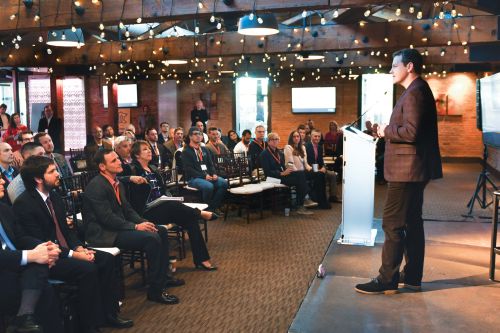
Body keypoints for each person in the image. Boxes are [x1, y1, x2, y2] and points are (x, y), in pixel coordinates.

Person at [355, 48, 442, 295]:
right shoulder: (417, 90)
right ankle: (412, 276)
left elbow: (411, 132)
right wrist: (385, 128)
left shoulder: (414, 93)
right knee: (412, 223)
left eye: (394, 66)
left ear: (409, 66)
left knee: (392, 224)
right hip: (413, 169)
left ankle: (387, 279)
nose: (391, 70)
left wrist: (386, 131)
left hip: (407, 170)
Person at [14, 155, 134, 331]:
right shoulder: (24, 204)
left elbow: (66, 231)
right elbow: (40, 243)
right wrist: (74, 254)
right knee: (87, 269)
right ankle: (88, 325)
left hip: (66, 249)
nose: (58, 174)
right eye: (52, 171)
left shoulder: (53, 197)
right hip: (48, 258)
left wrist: (79, 247)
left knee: (106, 259)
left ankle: (109, 314)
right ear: (38, 179)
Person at [82, 149, 181, 305]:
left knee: (159, 230)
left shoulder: (117, 182)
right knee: (151, 238)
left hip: (117, 228)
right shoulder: (96, 186)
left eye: (118, 159)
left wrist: (143, 222)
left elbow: (128, 210)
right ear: (102, 166)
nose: (119, 162)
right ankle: (155, 291)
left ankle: (163, 278)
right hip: (104, 234)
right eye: (113, 161)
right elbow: (107, 218)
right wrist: (136, 227)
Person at [122, 140, 218, 270]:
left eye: (149, 148)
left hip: (163, 207)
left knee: (190, 220)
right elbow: (115, 179)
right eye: (145, 149)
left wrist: (168, 197)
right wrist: (130, 178)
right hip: (146, 211)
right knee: (173, 206)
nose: (149, 151)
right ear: (137, 155)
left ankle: (202, 260)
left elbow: (163, 189)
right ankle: (200, 213)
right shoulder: (131, 168)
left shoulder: (153, 168)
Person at [0, 177, 64, 333]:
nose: (2, 182)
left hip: (16, 266)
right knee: (43, 288)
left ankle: (23, 317)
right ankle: (23, 318)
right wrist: (32, 256)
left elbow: (21, 237)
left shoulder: (4, 209)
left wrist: (44, 247)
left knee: (42, 271)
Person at [260, 133, 312, 215]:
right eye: (272, 139)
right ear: (268, 142)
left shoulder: (279, 152)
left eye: (277, 139)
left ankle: (302, 202)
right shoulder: (264, 154)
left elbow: (284, 165)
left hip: (282, 175)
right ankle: (302, 202)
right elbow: (267, 172)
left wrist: (288, 170)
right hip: (271, 178)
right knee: (299, 180)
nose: (275, 141)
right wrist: (281, 173)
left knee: (300, 174)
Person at [182, 127, 228, 214]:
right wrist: (204, 176)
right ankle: (207, 209)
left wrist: (214, 173)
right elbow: (189, 169)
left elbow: (211, 164)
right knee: (209, 186)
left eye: (200, 134)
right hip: (194, 178)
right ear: (190, 137)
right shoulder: (186, 152)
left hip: (208, 176)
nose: (198, 136)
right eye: (196, 134)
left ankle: (213, 207)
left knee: (224, 183)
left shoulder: (204, 149)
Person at [283, 131, 319, 209]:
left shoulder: (303, 147)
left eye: (298, 136)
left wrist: (311, 170)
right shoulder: (288, 147)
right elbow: (289, 164)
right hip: (293, 172)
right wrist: (298, 172)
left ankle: (318, 198)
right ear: (291, 138)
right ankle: (306, 198)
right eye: (294, 136)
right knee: (301, 175)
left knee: (318, 174)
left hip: (302, 172)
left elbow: (305, 164)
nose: (296, 138)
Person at [306, 130, 340, 204]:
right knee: (320, 175)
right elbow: (305, 162)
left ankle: (333, 197)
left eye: (319, 136)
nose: (317, 138)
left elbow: (321, 161)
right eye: (315, 136)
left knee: (332, 174)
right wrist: (316, 169)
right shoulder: (306, 146)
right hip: (310, 170)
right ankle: (320, 198)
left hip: (320, 169)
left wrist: (324, 167)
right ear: (311, 136)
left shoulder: (320, 147)